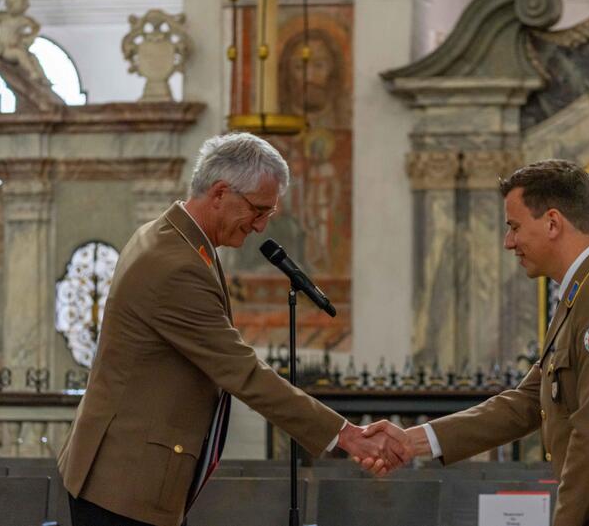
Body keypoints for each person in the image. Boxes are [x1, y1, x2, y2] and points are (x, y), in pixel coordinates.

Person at [58, 133, 407, 526]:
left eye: (268, 216)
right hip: (125, 483)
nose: (260, 227)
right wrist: (344, 434)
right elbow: (242, 371)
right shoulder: (175, 264)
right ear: (221, 192)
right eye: (258, 211)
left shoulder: (177, 239)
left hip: (127, 471)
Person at [362, 160, 589, 526]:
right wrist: (414, 441)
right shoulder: (584, 289)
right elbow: (527, 402)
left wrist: (564, 521)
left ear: (552, 222)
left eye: (514, 227)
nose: (508, 241)